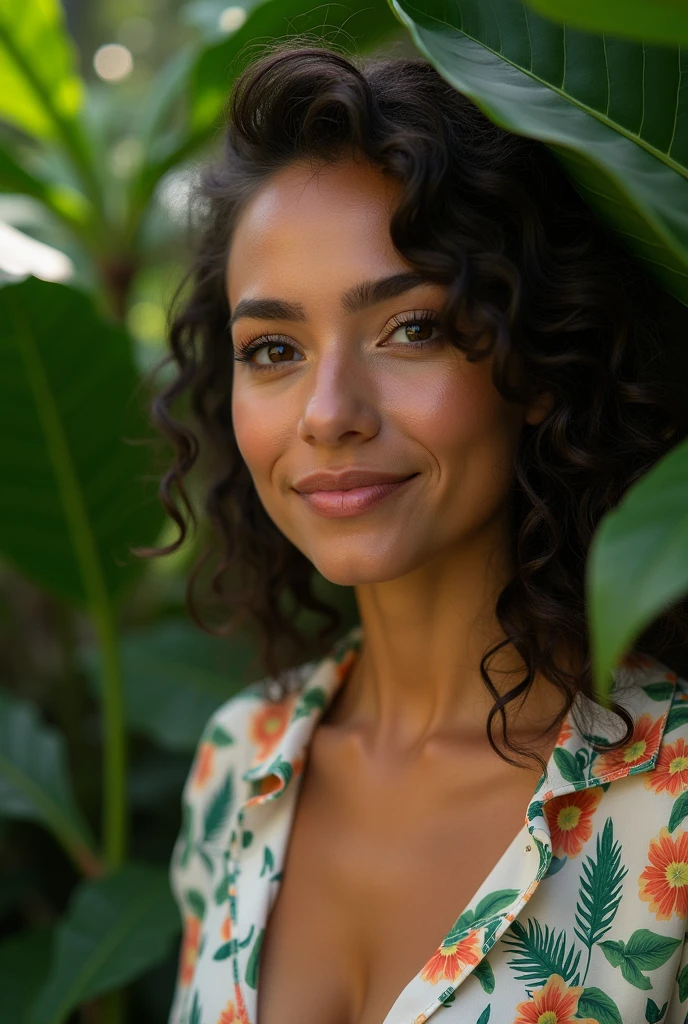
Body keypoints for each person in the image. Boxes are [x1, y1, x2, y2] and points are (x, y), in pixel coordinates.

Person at [143, 44, 688, 1024]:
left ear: (536, 357)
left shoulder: (676, 799)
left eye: (410, 329)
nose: (328, 412)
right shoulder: (238, 764)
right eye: (272, 349)